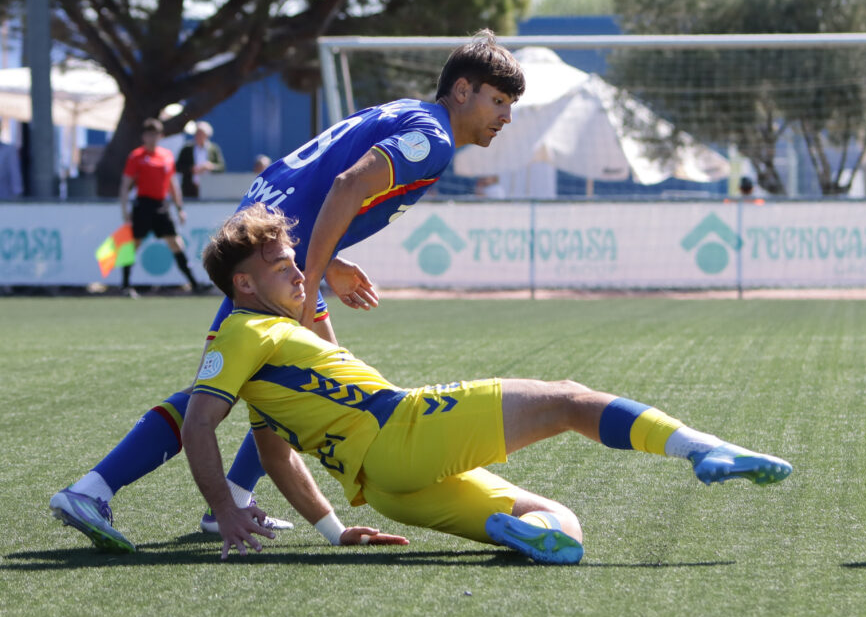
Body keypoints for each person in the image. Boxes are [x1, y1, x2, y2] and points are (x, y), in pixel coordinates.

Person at [49, 29, 527, 552]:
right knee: (252, 388)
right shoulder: (431, 139)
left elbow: (319, 183)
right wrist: (310, 280)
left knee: (282, 379)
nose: (506, 117)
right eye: (498, 100)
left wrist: (329, 265)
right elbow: (347, 185)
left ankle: (227, 496)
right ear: (462, 91)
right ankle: (94, 488)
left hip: (269, 236)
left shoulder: (411, 113)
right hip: (273, 255)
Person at [182, 205, 791, 563]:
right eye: (277, 262)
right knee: (566, 399)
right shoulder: (243, 332)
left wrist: (335, 530)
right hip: (403, 430)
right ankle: (700, 447)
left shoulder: (263, 349)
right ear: (242, 285)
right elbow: (198, 423)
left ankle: (518, 529)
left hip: (389, 491)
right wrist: (222, 510)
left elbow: (272, 449)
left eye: (291, 256)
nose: (294, 267)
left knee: (562, 524)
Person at [118, 118, 204, 298]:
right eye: (149, 135)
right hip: (143, 205)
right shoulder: (136, 156)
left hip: (161, 205)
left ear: (161, 136)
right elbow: (126, 184)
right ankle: (125, 286)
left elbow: (172, 184)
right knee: (134, 244)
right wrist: (124, 208)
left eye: (155, 135)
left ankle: (194, 284)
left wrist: (179, 207)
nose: (152, 138)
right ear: (143, 136)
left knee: (175, 242)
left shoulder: (166, 156)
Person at [176, 121, 225, 199]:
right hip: (190, 188)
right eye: (197, 133)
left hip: (209, 187)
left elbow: (221, 167)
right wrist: (191, 169)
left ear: (207, 135)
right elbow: (178, 167)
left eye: (201, 134)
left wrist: (210, 166)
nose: (199, 136)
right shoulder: (187, 149)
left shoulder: (213, 149)